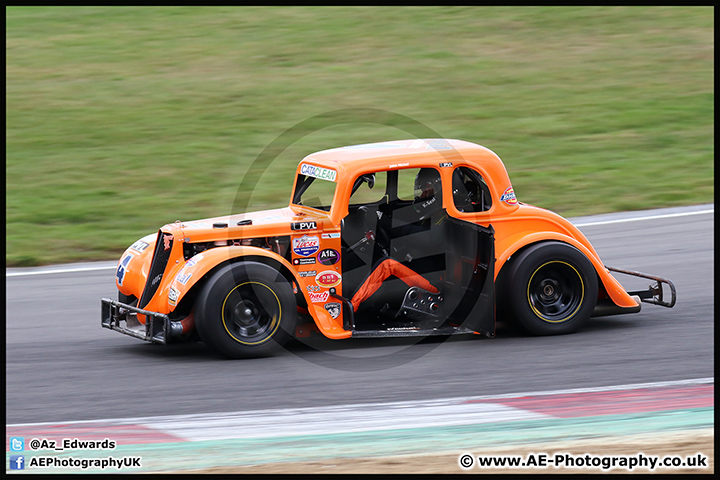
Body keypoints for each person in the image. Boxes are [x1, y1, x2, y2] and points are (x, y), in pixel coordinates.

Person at [350, 168, 444, 312]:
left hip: (435, 282)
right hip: (417, 267)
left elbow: (426, 240)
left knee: (387, 265)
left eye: (425, 190)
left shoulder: (446, 216)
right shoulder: (429, 213)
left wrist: (387, 222)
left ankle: (348, 311)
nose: (422, 194)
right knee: (374, 256)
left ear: (437, 189)